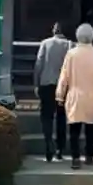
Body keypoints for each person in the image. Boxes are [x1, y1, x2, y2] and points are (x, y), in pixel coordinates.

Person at [56, 22, 93, 169]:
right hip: (92, 95)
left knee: (74, 129)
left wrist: (60, 95)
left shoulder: (71, 54)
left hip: (74, 95)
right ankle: (89, 155)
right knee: (90, 127)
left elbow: (64, 77)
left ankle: (75, 158)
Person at [33, 23, 71, 161]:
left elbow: (39, 64)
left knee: (47, 116)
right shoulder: (70, 45)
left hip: (46, 83)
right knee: (61, 117)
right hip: (63, 85)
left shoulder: (45, 43)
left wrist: (36, 83)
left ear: (53, 31)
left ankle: (48, 143)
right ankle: (60, 148)